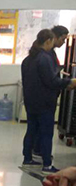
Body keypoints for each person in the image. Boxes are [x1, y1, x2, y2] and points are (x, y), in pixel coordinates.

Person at [21, 29, 76, 174]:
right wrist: (69, 82)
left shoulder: (28, 59)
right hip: (44, 103)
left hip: (31, 102)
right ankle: (47, 165)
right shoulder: (44, 58)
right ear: (48, 41)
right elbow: (51, 81)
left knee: (31, 130)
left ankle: (27, 159)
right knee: (46, 133)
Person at [33, 25, 69, 161]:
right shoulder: (45, 55)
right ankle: (43, 157)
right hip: (45, 97)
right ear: (53, 38)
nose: (63, 42)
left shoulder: (47, 54)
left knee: (39, 127)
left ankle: (37, 151)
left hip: (44, 96)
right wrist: (67, 82)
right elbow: (49, 79)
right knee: (45, 128)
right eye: (63, 39)